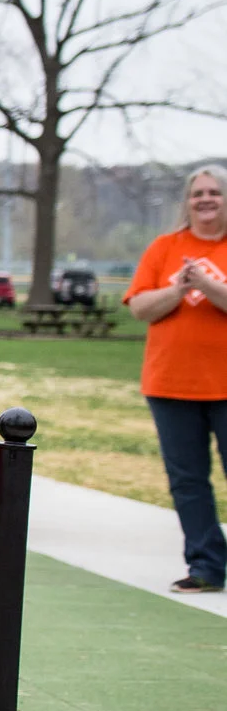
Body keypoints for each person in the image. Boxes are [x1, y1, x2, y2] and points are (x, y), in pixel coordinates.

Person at [125, 163, 227, 593]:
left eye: (215, 193)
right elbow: (140, 307)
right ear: (187, 202)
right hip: (170, 385)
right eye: (197, 193)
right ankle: (206, 565)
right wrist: (179, 289)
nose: (205, 199)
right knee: (188, 480)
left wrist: (205, 280)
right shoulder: (165, 247)